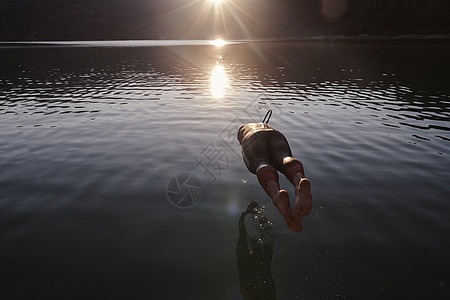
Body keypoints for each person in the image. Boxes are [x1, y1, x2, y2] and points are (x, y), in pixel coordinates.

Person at [237, 112, 312, 232]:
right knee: (284, 157)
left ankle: (276, 195)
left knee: (260, 163)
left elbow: (243, 141)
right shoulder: (266, 126)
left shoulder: (243, 128)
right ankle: (299, 182)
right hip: (275, 135)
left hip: (251, 137)